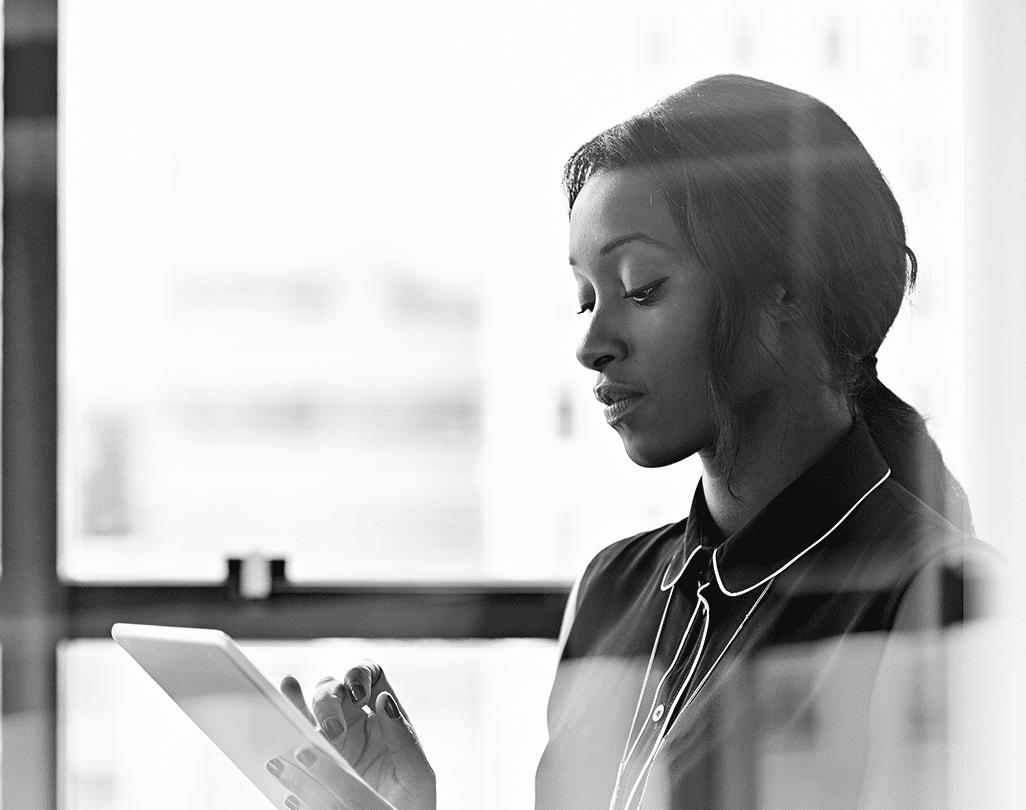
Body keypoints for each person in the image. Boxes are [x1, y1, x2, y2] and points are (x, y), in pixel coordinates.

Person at [266, 74, 1001, 810]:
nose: (590, 344)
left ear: (789, 289)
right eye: (585, 297)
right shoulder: (612, 590)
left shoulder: (950, 598)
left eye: (641, 286)